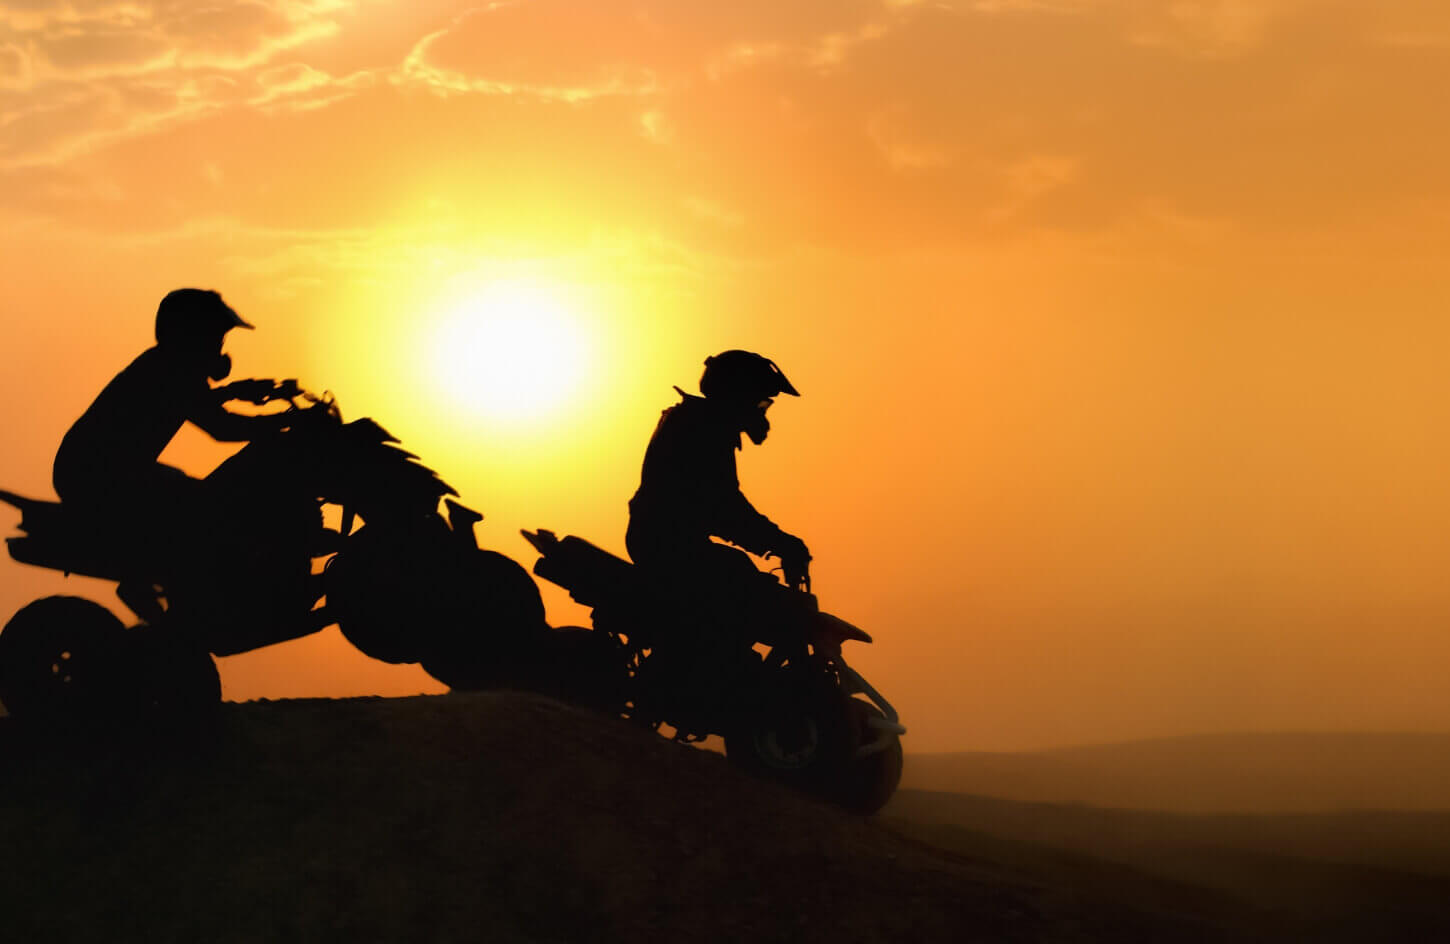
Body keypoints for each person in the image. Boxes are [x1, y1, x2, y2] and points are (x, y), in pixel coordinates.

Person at [52, 289, 303, 598]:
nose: (219, 347)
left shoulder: (169, 365)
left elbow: (193, 402)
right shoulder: (172, 369)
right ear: (191, 333)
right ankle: (172, 592)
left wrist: (238, 391)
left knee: (195, 494)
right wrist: (281, 423)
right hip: (94, 476)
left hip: (101, 470)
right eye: (214, 337)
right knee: (205, 508)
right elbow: (219, 426)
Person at [625, 350, 813, 665]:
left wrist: (775, 540)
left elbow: (723, 507)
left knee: (739, 576)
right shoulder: (704, 428)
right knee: (747, 592)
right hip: (668, 546)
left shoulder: (695, 420)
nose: (763, 412)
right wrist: (782, 543)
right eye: (761, 402)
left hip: (661, 540)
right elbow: (725, 509)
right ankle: (712, 678)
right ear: (738, 395)